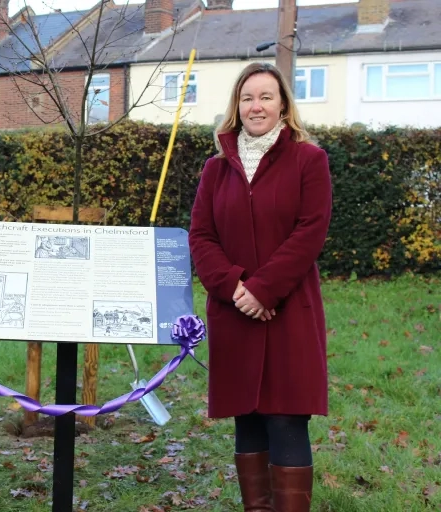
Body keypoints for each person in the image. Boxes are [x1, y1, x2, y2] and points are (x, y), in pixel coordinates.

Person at [188, 62, 332, 512]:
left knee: (287, 419)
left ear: (284, 106)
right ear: (236, 107)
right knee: (247, 422)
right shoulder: (216, 170)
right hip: (234, 315)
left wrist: (264, 290)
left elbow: (311, 230)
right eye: (248, 97)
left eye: (266, 97)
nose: (256, 106)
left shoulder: (309, 160)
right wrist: (236, 289)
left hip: (289, 311)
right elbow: (201, 237)